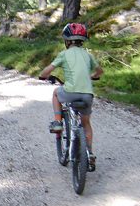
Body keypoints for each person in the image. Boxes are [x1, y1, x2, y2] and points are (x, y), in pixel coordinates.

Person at [39, 22, 103, 165]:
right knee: (86, 123)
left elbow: (47, 71)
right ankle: (89, 153)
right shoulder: (88, 55)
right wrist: (93, 76)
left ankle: (57, 122)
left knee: (56, 93)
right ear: (82, 40)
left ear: (67, 41)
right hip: (87, 95)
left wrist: (42, 76)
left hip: (69, 92)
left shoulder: (64, 54)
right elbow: (100, 71)